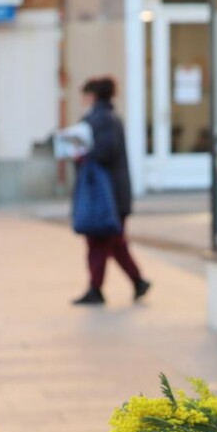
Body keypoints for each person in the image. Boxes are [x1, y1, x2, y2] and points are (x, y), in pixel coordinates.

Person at [72, 76, 151, 306]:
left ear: (91, 96)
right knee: (114, 243)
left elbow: (104, 153)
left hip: (107, 198)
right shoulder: (108, 118)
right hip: (113, 196)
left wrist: (81, 152)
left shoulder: (100, 120)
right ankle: (136, 281)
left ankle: (97, 289)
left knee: (100, 243)